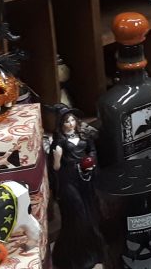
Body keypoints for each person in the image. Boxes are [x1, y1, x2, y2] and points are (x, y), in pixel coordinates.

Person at [50, 104, 103, 269]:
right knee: (77, 213)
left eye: (72, 120)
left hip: (85, 177)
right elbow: (55, 168)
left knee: (90, 212)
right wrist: (57, 157)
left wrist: (91, 162)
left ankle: (93, 251)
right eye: (67, 121)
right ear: (61, 124)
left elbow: (92, 150)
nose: (71, 123)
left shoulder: (83, 136)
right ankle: (77, 257)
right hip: (69, 179)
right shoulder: (59, 142)